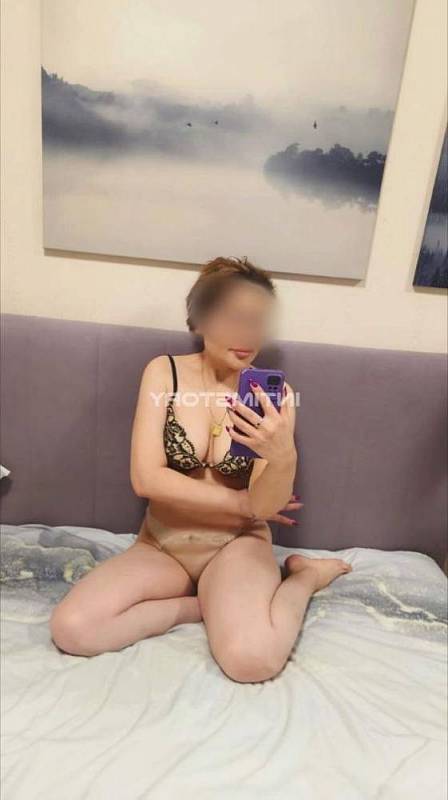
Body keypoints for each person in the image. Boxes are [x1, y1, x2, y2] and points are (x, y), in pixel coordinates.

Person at [50, 256, 352, 682]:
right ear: (201, 318)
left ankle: (304, 579)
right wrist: (240, 501)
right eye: (234, 317)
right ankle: (200, 608)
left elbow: (265, 506)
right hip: (163, 545)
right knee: (73, 629)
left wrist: (283, 455)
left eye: (258, 321)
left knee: (252, 661)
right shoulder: (164, 373)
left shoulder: (274, 396)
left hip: (236, 546)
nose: (248, 334)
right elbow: (146, 478)